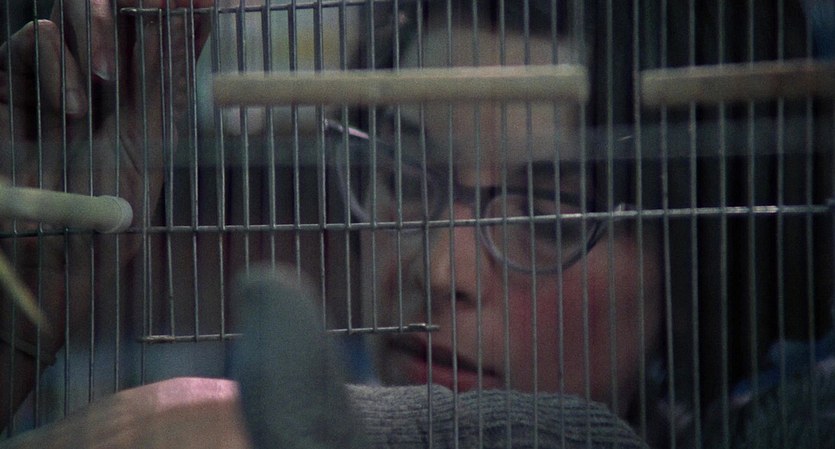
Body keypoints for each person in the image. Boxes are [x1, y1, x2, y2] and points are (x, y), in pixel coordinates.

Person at [1, 1, 832, 449]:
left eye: (547, 215)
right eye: (402, 176)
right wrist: (17, 329)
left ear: (696, 267)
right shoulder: (242, 384)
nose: (441, 270)